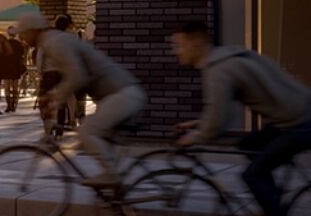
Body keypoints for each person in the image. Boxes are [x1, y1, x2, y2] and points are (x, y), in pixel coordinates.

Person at [171, 20, 311, 216]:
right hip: (297, 114)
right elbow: (218, 110)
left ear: (195, 42)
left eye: (179, 45)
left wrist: (194, 137)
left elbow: (216, 124)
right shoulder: (227, 56)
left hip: (299, 124)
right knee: (249, 143)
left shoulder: (218, 70)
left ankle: (274, 209)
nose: (175, 52)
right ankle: (271, 195)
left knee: (253, 175)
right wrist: (198, 124)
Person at [17, 12, 143, 188]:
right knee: (102, 140)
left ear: (32, 31)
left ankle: (112, 176)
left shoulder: (56, 43)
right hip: (118, 94)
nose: (20, 37)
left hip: (122, 93)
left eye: (22, 32)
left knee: (86, 131)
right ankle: (116, 196)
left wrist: (55, 98)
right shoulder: (53, 41)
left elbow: (78, 76)